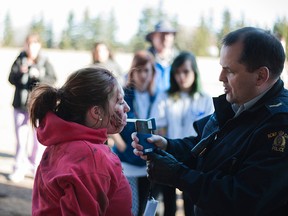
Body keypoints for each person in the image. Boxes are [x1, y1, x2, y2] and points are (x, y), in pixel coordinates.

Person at [132, 26, 288, 216]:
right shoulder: (239, 103)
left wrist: (179, 175)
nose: (220, 77)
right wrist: (168, 146)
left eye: (229, 71)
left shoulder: (279, 123)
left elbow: (244, 196)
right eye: (222, 68)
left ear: (260, 76)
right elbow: (205, 145)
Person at [28, 67, 132, 215]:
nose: (127, 108)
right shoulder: (91, 158)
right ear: (96, 112)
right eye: (120, 102)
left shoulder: (61, 144)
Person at [151, 51, 214, 216]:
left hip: (194, 157)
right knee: (169, 203)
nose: (181, 77)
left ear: (194, 72)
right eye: (177, 72)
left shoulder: (205, 99)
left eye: (185, 71)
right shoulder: (165, 96)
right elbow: (160, 126)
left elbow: (208, 133)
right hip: (169, 153)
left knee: (191, 202)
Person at [111, 50, 157, 216]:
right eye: (139, 70)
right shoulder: (124, 94)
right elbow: (110, 121)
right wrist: (122, 146)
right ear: (133, 72)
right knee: (129, 208)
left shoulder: (157, 96)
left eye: (147, 70)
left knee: (145, 209)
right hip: (126, 163)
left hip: (146, 163)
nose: (143, 75)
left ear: (153, 73)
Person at [8, 32, 57, 183]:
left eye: (34, 44)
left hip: (38, 107)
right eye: (28, 44)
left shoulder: (45, 61)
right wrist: (19, 73)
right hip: (21, 106)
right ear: (25, 45)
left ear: (39, 46)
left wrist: (39, 76)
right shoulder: (20, 59)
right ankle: (19, 168)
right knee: (21, 139)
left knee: (38, 139)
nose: (30, 47)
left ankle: (35, 167)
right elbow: (10, 79)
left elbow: (53, 79)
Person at [146, 20, 179, 93]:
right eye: (161, 34)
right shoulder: (144, 60)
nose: (165, 37)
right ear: (152, 37)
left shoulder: (179, 61)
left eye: (168, 34)